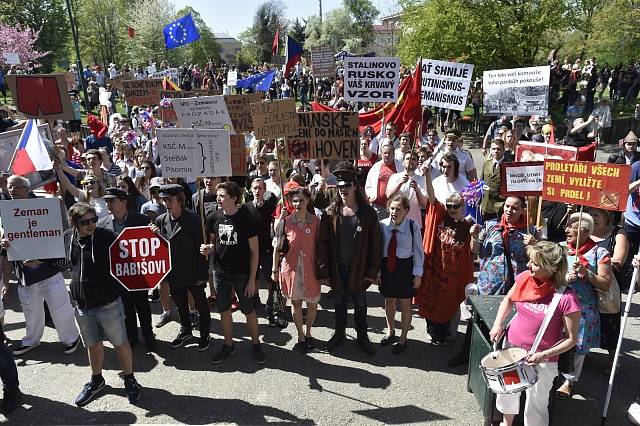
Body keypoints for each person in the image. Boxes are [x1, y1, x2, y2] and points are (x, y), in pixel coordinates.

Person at [489, 241, 581, 426]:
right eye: (530, 260)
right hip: (511, 352)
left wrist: (543, 355)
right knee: (508, 392)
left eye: (535, 263)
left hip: (543, 361)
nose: (528, 265)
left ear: (551, 268)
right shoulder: (524, 278)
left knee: (537, 403)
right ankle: (507, 424)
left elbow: (571, 339)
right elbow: (508, 299)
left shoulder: (567, 298)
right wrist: (498, 324)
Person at [67, 202, 141, 407]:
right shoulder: (68, 239)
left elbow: (132, 244)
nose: (91, 225)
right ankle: (97, 380)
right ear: (74, 223)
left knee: (120, 342)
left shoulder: (105, 236)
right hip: (82, 306)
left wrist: (151, 233)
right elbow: (60, 262)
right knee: (92, 345)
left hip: (108, 304)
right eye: (85, 222)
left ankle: (130, 378)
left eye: (93, 220)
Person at [0, 178, 80, 357]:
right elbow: (7, 245)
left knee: (60, 308)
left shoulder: (43, 210)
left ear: (27, 189)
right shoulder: (7, 213)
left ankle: (71, 338)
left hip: (48, 271)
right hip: (24, 275)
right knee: (31, 311)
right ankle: (31, 341)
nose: (12, 190)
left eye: (17, 187)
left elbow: (54, 239)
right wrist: (4, 243)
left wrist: (41, 260)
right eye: (10, 187)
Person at [317, 161, 382, 356]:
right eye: (339, 186)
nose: (342, 190)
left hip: (360, 269)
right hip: (337, 269)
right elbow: (323, 245)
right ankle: (339, 333)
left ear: (355, 186)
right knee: (339, 303)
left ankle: (362, 336)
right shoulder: (330, 214)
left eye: (346, 186)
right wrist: (324, 271)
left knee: (361, 304)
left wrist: (372, 272)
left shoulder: (368, 214)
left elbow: (375, 246)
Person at [200, 181, 266, 364]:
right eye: (218, 195)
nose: (218, 198)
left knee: (249, 311)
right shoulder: (213, 217)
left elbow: (255, 251)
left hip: (243, 274)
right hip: (220, 273)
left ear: (234, 198)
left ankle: (256, 344)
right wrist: (208, 248)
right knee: (224, 310)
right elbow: (214, 244)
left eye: (222, 196)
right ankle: (228, 345)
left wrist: (252, 279)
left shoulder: (247, 218)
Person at [417, 168, 479, 345]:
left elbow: (474, 251)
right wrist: (428, 175)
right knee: (431, 302)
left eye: (456, 206)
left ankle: (447, 334)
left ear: (462, 207)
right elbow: (431, 197)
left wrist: (474, 236)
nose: (452, 209)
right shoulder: (442, 217)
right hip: (436, 270)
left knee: (449, 304)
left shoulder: (469, 225)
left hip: (454, 275)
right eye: (449, 206)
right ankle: (433, 332)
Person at [556, 212, 612, 399]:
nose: (566, 230)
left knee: (577, 346)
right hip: (559, 304)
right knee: (555, 339)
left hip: (583, 308)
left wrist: (587, 273)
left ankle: (569, 381)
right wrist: (563, 278)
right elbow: (549, 274)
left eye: (571, 226)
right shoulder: (560, 249)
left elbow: (605, 284)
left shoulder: (600, 253)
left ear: (585, 230)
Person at [150, 184, 211, 351]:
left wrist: (202, 274)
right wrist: (154, 235)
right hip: (173, 272)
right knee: (180, 304)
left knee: (201, 304)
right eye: (164, 200)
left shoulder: (193, 220)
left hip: (193, 271)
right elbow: (162, 247)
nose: (166, 203)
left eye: (169, 200)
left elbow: (202, 248)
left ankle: (205, 334)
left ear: (179, 200)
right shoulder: (161, 220)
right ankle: (186, 330)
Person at [97, 187, 155, 351]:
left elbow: (152, 246)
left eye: (112, 201)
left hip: (139, 274)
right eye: (106, 201)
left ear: (124, 202)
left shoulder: (141, 220)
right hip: (118, 276)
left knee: (143, 306)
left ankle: (148, 335)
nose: (108, 204)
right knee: (126, 309)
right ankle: (132, 337)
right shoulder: (103, 225)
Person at [272, 187, 320, 353]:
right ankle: (300, 335)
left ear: (307, 201)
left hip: (311, 269)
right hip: (291, 269)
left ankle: (308, 333)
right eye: (295, 200)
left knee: (312, 304)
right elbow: (276, 248)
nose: (298, 203)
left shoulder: (316, 221)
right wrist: (274, 270)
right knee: (296, 302)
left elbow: (321, 247)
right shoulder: (285, 221)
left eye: (301, 200)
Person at [379, 195, 423, 353]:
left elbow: (418, 251)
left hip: (405, 268)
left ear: (406, 211)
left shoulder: (413, 226)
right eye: (392, 208)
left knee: (405, 304)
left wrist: (418, 274)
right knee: (389, 300)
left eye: (398, 209)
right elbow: (378, 251)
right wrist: (378, 272)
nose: (394, 212)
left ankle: (403, 338)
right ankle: (390, 331)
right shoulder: (382, 225)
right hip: (387, 267)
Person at [586, 207, 628, 366]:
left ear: (607, 218)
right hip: (585, 284)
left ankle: (613, 357)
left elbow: (618, 260)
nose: (592, 218)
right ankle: (583, 350)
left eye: (596, 215)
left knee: (609, 321)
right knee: (586, 318)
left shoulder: (618, 232)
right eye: (589, 215)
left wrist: (600, 263)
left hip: (608, 285)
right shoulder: (583, 231)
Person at [245, 178, 287, 328]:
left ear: (265, 190)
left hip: (266, 246)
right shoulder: (246, 207)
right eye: (255, 188)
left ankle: (272, 300)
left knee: (269, 276)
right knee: (254, 274)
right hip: (251, 248)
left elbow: (277, 223)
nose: (257, 191)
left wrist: (281, 214)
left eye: (260, 188)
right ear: (251, 189)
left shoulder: (270, 206)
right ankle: (255, 298)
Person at [477, 196, 537, 295]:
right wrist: (474, 238)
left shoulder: (530, 231)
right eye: (507, 206)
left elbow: (540, 259)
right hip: (490, 284)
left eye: (515, 208)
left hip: (517, 286)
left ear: (522, 210)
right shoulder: (490, 225)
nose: (509, 210)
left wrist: (535, 245)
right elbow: (475, 251)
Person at [385, 151, 428, 229]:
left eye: (414, 159)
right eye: (408, 158)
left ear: (417, 163)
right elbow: (388, 195)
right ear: (403, 162)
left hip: (414, 222)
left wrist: (417, 190)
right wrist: (400, 183)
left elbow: (424, 204)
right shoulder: (394, 177)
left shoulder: (422, 179)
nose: (411, 161)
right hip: (396, 220)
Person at [365, 144, 404, 220]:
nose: (387, 155)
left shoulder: (400, 166)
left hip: (395, 206)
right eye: (384, 153)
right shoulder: (376, 167)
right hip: (378, 205)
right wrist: (370, 196)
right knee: (378, 228)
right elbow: (368, 183)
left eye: (389, 153)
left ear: (394, 154)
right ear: (381, 154)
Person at [479, 139, 514, 221]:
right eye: (493, 149)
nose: (496, 151)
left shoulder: (509, 165)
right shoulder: (486, 163)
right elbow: (481, 183)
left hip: (500, 207)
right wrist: (480, 203)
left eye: (499, 149)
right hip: (486, 206)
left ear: (504, 150)